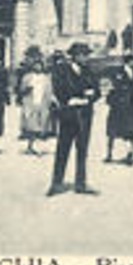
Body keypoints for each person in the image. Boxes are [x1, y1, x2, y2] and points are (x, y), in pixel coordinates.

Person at [48, 42, 100, 196]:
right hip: (69, 115)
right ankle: (56, 183)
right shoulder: (62, 71)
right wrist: (72, 98)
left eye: (87, 55)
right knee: (63, 148)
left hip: (85, 115)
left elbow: (96, 92)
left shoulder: (89, 72)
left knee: (83, 150)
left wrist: (89, 98)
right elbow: (59, 89)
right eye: (83, 55)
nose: (86, 58)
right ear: (75, 56)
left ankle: (81, 183)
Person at [104, 53, 133, 164]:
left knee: (130, 132)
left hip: (131, 106)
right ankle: (109, 154)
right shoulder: (119, 72)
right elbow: (115, 86)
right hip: (118, 105)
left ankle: (130, 154)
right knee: (112, 132)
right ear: (129, 62)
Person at [18, 51, 55, 154]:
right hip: (30, 103)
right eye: (36, 65)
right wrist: (26, 90)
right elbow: (21, 91)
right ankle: (30, 145)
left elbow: (50, 91)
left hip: (42, 104)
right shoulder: (27, 77)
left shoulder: (46, 78)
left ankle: (37, 146)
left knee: (41, 125)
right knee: (30, 126)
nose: (38, 67)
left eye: (40, 66)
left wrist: (50, 101)